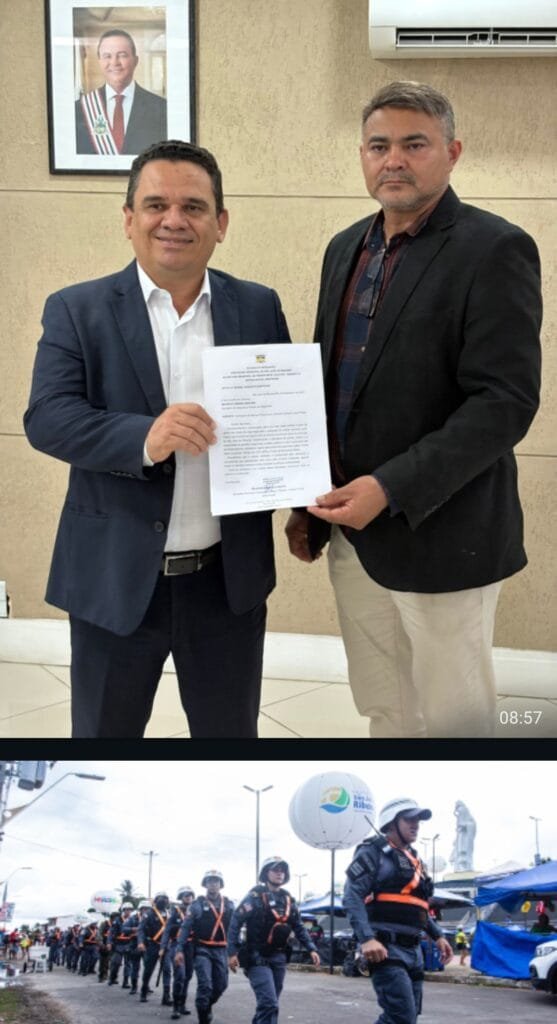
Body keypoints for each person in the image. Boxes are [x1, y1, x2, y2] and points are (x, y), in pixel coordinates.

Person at [286, 80, 542, 739]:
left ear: (451, 153)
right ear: (362, 156)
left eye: (413, 144)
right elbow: (328, 388)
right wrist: (304, 500)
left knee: (457, 721)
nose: (393, 159)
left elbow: (504, 402)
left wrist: (389, 487)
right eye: (378, 145)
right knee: (385, 708)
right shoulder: (344, 247)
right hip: (351, 533)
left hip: (443, 534)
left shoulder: (494, 249)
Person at [24, 138, 290, 739]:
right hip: (114, 580)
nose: (174, 219)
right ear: (128, 219)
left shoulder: (258, 306)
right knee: (104, 741)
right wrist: (146, 436)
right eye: (155, 205)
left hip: (226, 583)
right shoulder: (76, 308)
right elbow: (47, 417)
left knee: (230, 740)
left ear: (221, 223)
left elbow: (280, 417)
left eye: (194, 206)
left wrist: (304, 500)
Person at [343, 797, 453, 1024]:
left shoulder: (414, 860)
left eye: (418, 820)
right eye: (409, 819)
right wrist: (367, 939)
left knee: (409, 1018)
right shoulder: (373, 852)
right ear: (391, 823)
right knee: (400, 1017)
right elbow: (352, 897)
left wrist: (438, 935)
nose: (416, 825)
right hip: (386, 949)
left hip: (414, 951)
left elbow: (415, 905)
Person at [228, 856, 320, 1024]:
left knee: (271, 1004)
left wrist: (311, 948)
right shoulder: (254, 896)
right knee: (269, 1003)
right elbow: (235, 922)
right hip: (257, 957)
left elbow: (298, 926)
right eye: (275, 870)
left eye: (282, 870)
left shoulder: (288, 899)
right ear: (265, 873)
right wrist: (232, 952)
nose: (280, 873)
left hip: (279, 957)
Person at [75, 29, 167, 155]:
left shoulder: (161, 108)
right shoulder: (79, 109)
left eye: (122, 55)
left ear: (135, 61)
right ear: (100, 61)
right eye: (107, 56)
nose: (114, 63)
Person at [175, 870, 233, 1024]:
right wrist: (179, 950)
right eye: (210, 881)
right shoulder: (197, 905)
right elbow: (185, 928)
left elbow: (235, 927)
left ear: (221, 885)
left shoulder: (229, 904)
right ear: (205, 884)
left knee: (221, 985)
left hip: (221, 950)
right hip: (202, 950)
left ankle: (206, 1006)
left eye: (216, 881)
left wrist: (235, 952)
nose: (213, 884)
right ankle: (203, 1018)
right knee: (205, 985)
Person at [160, 886, 195, 1019]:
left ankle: (182, 1004)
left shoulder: (196, 910)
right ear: (181, 897)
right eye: (185, 895)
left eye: (190, 894)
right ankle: (175, 1007)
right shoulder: (175, 911)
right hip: (177, 946)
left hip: (191, 946)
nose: (188, 897)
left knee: (188, 976)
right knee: (180, 975)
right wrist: (163, 947)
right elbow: (167, 930)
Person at [137, 891, 171, 1004]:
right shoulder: (149, 914)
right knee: (148, 969)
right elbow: (141, 929)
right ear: (155, 901)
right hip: (152, 945)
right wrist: (140, 942)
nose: (163, 900)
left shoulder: (169, 913)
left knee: (167, 969)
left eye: (165, 898)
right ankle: (144, 991)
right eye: (161, 898)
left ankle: (166, 996)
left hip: (165, 946)